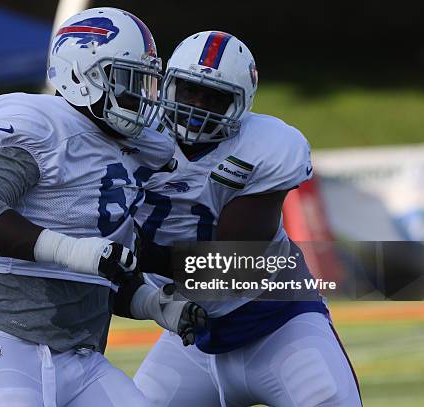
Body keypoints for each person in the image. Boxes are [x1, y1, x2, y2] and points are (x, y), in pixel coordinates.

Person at [0, 8, 205, 407]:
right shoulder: (41, 123)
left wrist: (155, 304)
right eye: (127, 80)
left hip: (80, 355)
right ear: (82, 74)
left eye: (143, 82)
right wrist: (75, 251)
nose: (138, 96)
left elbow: (104, 273)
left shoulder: (134, 149)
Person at [133, 31, 362, 406]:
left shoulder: (267, 145)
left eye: (214, 97)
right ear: (167, 85)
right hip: (192, 334)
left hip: (278, 325)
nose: (198, 105)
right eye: (189, 90)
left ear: (241, 105)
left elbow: (236, 266)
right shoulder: (135, 136)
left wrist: (127, 254)